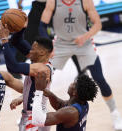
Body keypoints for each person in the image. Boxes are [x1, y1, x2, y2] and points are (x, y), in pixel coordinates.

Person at [39, 0, 122, 130]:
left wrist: (85, 36)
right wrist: (50, 46)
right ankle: (31, 111)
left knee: (99, 78)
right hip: (61, 43)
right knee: (43, 74)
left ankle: (115, 113)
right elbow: (41, 26)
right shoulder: (53, 2)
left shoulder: (85, 1)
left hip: (83, 43)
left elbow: (98, 24)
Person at [0, 22, 53, 131]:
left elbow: (13, 67)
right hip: (34, 115)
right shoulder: (39, 62)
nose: (29, 52)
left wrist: (4, 40)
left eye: (33, 49)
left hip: (34, 117)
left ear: (42, 52)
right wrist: (22, 27)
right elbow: (16, 41)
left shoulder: (41, 69)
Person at [32, 72, 98, 131]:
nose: (71, 83)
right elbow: (60, 105)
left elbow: (39, 120)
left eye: (74, 84)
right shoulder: (83, 103)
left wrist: (38, 91)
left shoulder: (71, 112)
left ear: (75, 92)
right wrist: (48, 93)